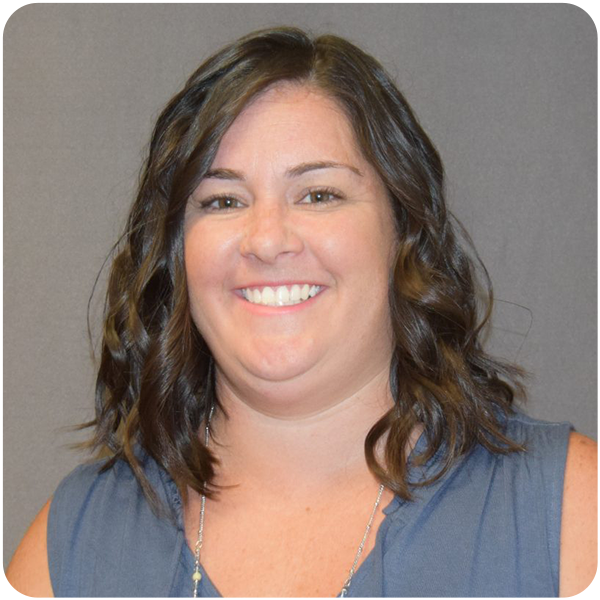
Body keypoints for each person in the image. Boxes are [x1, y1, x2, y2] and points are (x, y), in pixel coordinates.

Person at [5, 25, 599, 599]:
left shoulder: (572, 515)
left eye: (319, 194)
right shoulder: (74, 547)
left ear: (404, 231)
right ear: (175, 252)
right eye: (223, 200)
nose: (266, 240)